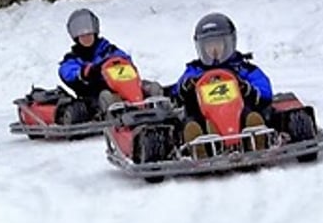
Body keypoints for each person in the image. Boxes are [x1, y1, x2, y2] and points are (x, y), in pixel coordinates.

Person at [172, 12, 273, 144]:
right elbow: (175, 93)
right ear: (201, 47)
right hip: (205, 118)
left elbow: (265, 90)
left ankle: (256, 137)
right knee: (192, 121)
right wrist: (187, 86)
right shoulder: (195, 71)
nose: (214, 50)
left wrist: (247, 89)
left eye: (218, 44)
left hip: (239, 114)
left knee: (250, 114)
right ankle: (199, 146)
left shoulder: (243, 68)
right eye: (209, 46)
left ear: (229, 43)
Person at [57, 8, 161, 120]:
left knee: (144, 85)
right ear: (77, 38)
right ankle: (112, 110)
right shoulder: (74, 57)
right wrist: (85, 71)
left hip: (120, 85)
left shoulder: (108, 49)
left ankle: (147, 97)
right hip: (94, 92)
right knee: (104, 96)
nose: (87, 38)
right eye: (83, 36)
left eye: (89, 34)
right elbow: (66, 71)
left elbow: (124, 58)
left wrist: (118, 61)